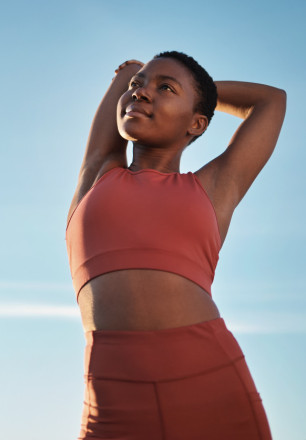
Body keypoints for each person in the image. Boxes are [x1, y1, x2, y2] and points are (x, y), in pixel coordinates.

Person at [65, 51, 286, 440]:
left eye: (165, 88)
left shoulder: (214, 189)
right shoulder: (99, 172)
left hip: (211, 387)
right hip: (111, 400)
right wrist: (135, 77)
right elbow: (128, 76)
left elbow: (271, 101)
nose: (143, 93)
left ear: (197, 123)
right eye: (138, 89)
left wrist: (200, 94)